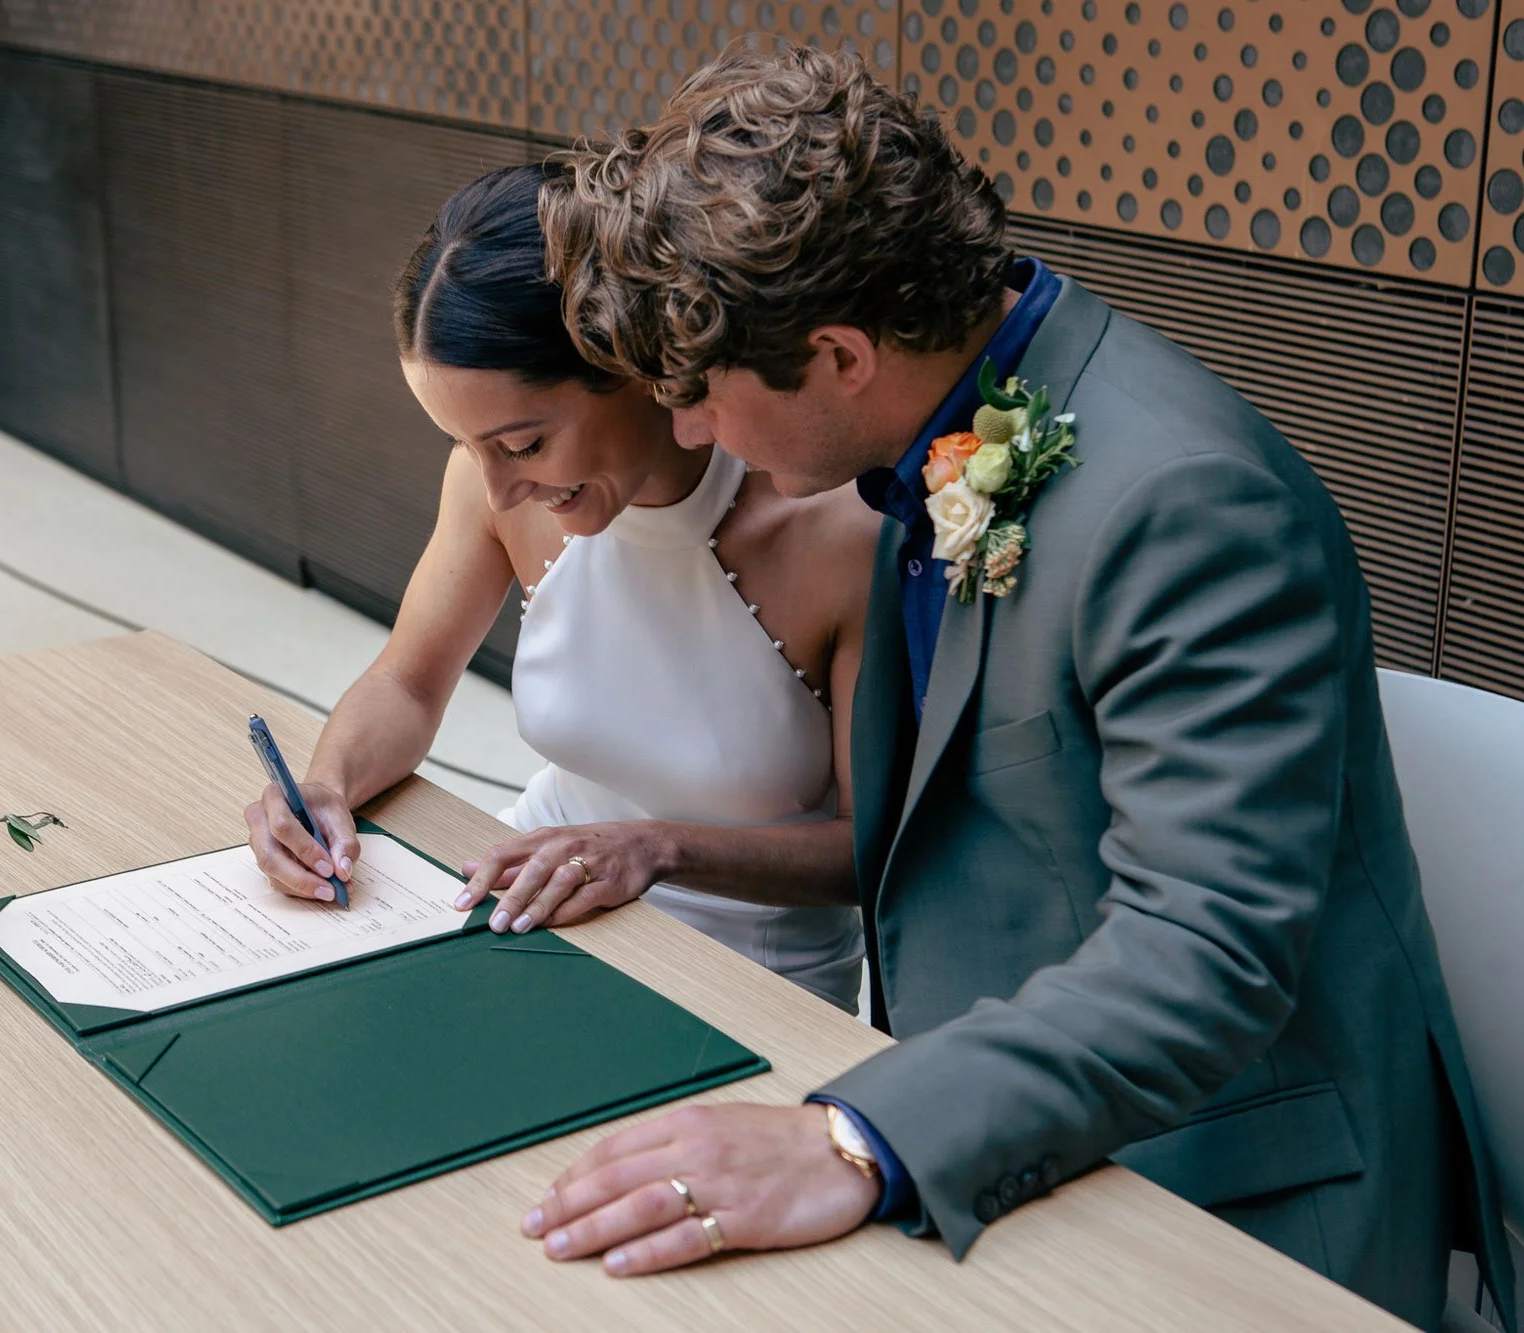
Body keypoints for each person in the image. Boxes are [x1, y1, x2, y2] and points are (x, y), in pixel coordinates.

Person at [514, 45, 1517, 1333]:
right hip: (996, 1109)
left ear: (837, 353)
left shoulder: (1183, 508)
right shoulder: (948, 416)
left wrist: (853, 1137)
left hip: (1229, 1184)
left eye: (705, 393)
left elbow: (1203, 953)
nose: (694, 432)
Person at [242, 163, 880, 1010]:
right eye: (471, 448)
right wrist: (326, 784)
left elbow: (873, 852)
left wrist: (654, 848)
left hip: (746, 982)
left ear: (627, 362)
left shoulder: (834, 529)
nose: (499, 490)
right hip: (529, 904)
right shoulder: (494, 484)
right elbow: (408, 680)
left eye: (524, 444)